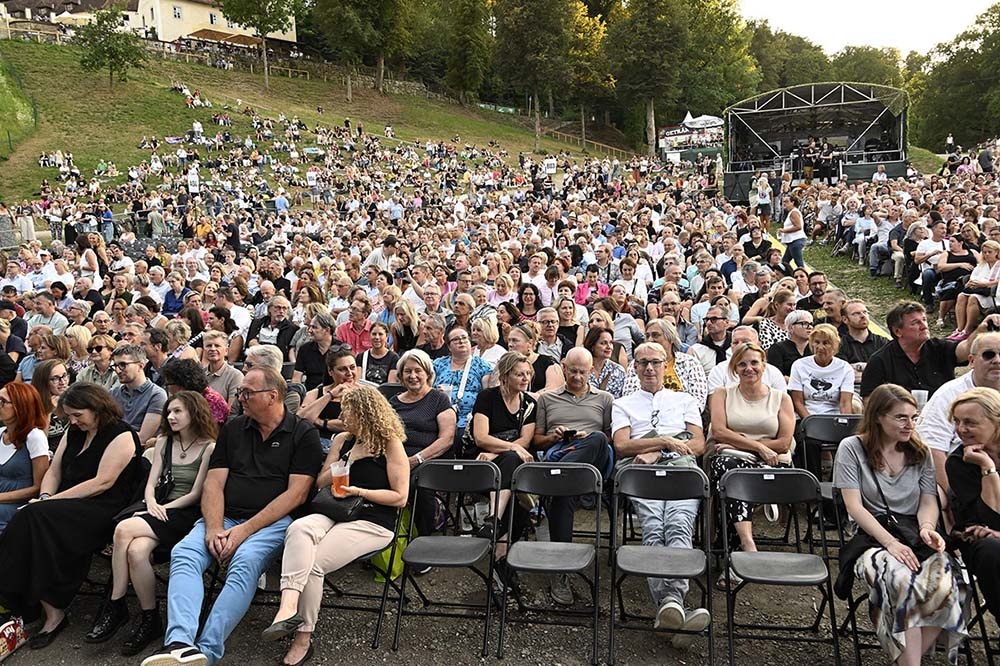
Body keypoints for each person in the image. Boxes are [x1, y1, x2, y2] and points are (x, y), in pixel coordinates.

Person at [145, 367, 323, 666]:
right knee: (185, 554)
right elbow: (214, 482)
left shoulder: (303, 433)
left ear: (272, 396)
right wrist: (214, 527)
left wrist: (244, 532)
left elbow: (297, 495)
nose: (240, 398)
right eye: (240, 392)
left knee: (244, 563)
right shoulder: (235, 428)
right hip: (224, 517)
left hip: (272, 523)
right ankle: (180, 644)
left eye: (247, 393)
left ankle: (207, 651)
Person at [263, 384, 408, 665]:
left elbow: (400, 497)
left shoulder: (390, 444)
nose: (342, 415)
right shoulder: (344, 439)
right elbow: (320, 483)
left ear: (365, 412)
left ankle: (303, 637)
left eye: (347, 410)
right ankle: (288, 608)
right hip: (334, 510)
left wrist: (360, 492)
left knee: (315, 563)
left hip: (372, 520)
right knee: (299, 528)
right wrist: (350, 459)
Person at [0, 383, 143, 649]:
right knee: (30, 520)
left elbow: (102, 482)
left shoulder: (121, 434)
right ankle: (40, 606)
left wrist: (49, 503)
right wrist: (43, 498)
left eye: (78, 415)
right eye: (70, 416)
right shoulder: (74, 431)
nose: (73, 421)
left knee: (32, 519)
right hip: (63, 503)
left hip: (102, 508)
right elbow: (54, 472)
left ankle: (36, 606)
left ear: (97, 408)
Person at [833, 384, 967, 665]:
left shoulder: (920, 452)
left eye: (914, 417)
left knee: (947, 585)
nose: (910, 425)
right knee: (900, 581)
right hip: (872, 536)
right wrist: (890, 543)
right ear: (879, 417)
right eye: (901, 418)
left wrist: (927, 528)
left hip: (913, 531)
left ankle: (906, 661)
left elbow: (928, 500)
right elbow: (854, 507)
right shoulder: (852, 448)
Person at [88, 391, 216, 656]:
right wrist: (151, 505)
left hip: (186, 512)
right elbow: (151, 484)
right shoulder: (165, 442)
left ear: (194, 412)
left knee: (123, 529)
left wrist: (161, 509)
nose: (170, 416)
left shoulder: (209, 446)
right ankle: (150, 619)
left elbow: (196, 493)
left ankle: (115, 603)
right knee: (136, 551)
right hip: (157, 507)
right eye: (169, 412)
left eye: (177, 411)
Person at [610, 342, 709, 645]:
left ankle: (670, 605)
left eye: (655, 362)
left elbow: (698, 444)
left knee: (679, 525)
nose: (649, 368)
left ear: (667, 365)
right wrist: (665, 441)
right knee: (654, 527)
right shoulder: (623, 403)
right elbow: (623, 446)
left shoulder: (684, 399)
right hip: (642, 477)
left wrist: (660, 449)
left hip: (681, 472)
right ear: (635, 368)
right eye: (643, 363)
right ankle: (674, 606)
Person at [531, 348, 614, 605]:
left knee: (598, 438)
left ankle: (551, 483)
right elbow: (537, 440)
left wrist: (584, 440)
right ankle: (561, 570)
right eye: (573, 370)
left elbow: (612, 438)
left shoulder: (605, 399)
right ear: (564, 368)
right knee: (564, 494)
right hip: (559, 453)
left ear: (591, 371)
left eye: (583, 372)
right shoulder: (546, 399)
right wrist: (554, 437)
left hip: (594, 460)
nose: (577, 376)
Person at [708, 342, 795, 569]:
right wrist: (760, 447)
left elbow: (784, 443)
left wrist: (741, 443)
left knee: (732, 477)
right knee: (729, 472)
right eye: (742, 364)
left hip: (773, 463)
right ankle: (747, 545)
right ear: (735, 368)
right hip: (735, 462)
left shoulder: (781, 398)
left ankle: (732, 549)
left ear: (764, 365)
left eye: (754, 362)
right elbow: (718, 431)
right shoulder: (722, 394)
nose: (749, 368)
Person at [469, 352, 537, 583]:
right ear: (505, 376)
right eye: (519, 374)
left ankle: (495, 529)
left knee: (512, 466)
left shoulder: (529, 404)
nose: (525, 378)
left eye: (528, 373)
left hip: (509, 464)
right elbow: (480, 437)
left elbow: (525, 441)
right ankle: (501, 553)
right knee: (515, 483)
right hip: (481, 462)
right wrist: (505, 449)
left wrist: (499, 450)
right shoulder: (487, 397)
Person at [917, 332, 1000, 491]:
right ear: (971, 361)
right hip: (964, 481)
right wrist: (952, 499)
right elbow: (933, 449)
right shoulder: (947, 395)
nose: (997, 360)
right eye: (988, 355)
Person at [861, 301, 996, 398]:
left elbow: (966, 348)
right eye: (915, 323)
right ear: (898, 331)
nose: (924, 326)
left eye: (924, 320)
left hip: (943, 417)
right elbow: (870, 403)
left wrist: (982, 328)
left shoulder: (939, 348)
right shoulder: (880, 361)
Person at [946, 388, 1000, 625]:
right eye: (957, 421)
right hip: (978, 538)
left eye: (969, 422)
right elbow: (989, 518)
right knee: (991, 550)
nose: (961, 429)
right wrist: (986, 467)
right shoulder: (959, 462)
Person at [432, 327, 492, 453]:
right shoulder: (438, 364)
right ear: (449, 346)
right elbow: (427, 387)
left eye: (464, 338)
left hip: (470, 416)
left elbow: (488, 393)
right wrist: (435, 392)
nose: (461, 341)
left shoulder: (482, 365)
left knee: (459, 435)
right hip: (441, 412)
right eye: (456, 339)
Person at [0, 382, 50, 532]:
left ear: (20, 406)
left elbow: (38, 487)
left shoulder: (34, 437)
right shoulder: (1, 432)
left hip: (15, 504)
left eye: (3, 401)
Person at [298, 348, 360, 453]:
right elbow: (300, 419)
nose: (349, 373)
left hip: (349, 448)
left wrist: (320, 422)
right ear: (331, 372)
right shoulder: (316, 393)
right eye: (343, 369)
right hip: (315, 446)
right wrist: (330, 395)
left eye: (352, 367)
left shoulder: (366, 394)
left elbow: (353, 425)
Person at [110, 344, 168, 446]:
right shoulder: (113, 393)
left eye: (123, 365)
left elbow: (142, 438)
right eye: (115, 365)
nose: (118, 370)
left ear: (141, 365)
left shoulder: (157, 395)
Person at [949, 240, 1000, 341]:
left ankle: (968, 329)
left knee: (973, 298)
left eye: (989, 252)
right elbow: (973, 277)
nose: (987, 254)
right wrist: (971, 283)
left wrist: (985, 284)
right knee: (961, 296)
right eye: (984, 252)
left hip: (992, 295)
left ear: (997, 252)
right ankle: (960, 329)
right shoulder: (981, 265)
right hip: (978, 290)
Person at [160, 359, 231, 426]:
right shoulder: (186, 400)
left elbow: (210, 433)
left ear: (181, 384)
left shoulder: (212, 401)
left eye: (168, 384)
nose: (167, 388)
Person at [837, 300, 889, 386]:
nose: (863, 316)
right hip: (852, 389)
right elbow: (844, 374)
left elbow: (890, 370)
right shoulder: (839, 345)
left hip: (882, 388)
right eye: (856, 314)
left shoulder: (883, 342)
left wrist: (858, 366)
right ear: (845, 319)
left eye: (865, 312)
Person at [505, 322, 563, 396]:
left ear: (530, 343)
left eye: (515, 340)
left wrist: (527, 398)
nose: (510, 344)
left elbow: (553, 389)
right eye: (509, 340)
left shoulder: (548, 363)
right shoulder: (506, 364)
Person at [31, 358, 72, 451]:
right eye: (55, 378)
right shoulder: (33, 405)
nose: (62, 382)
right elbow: (39, 444)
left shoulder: (75, 398)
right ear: (43, 382)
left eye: (64, 376)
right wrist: (48, 412)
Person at [292, 312, 337, 391]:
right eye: (310, 327)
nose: (309, 330)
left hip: (335, 392)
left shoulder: (341, 350)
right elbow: (297, 377)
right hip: (310, 394)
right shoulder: (305, 349)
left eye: (314, 327)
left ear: (327, 330)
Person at [766, 309, 813, 379]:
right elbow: (776, 375)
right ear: (791, 327)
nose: (810, 327)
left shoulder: (815, 348)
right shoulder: (778, 348)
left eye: (811, 324)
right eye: (804, 323)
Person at [202, 330, 243, 407]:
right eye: (209, 346)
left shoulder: (235, 376)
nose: (213, 349)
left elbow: (232, 411)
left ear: (226, 351)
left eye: (217, 346)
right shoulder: (200, 374)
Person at [584, 326, 626, 398]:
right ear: (592, 346)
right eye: (603, 343)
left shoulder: (618, 370)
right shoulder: (582, 369)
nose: (609, 347)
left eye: (611, 343)